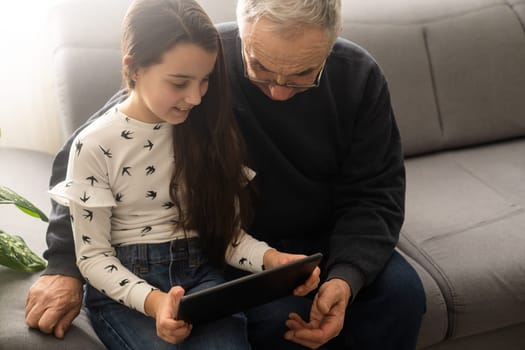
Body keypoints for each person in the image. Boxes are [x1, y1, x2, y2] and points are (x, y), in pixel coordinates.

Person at [26, 0, 426, 349]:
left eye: (304, 74)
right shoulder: (202, 67)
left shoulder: (359, 76)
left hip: (326, 240)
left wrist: (345, 279)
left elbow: (375, 195)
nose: (279, 91)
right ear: (242, 35)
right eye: (262, 69)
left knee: (404, 297)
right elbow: (90, 152)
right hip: (232, 246)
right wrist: (64, 266)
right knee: (272, 322)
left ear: (330, 43)